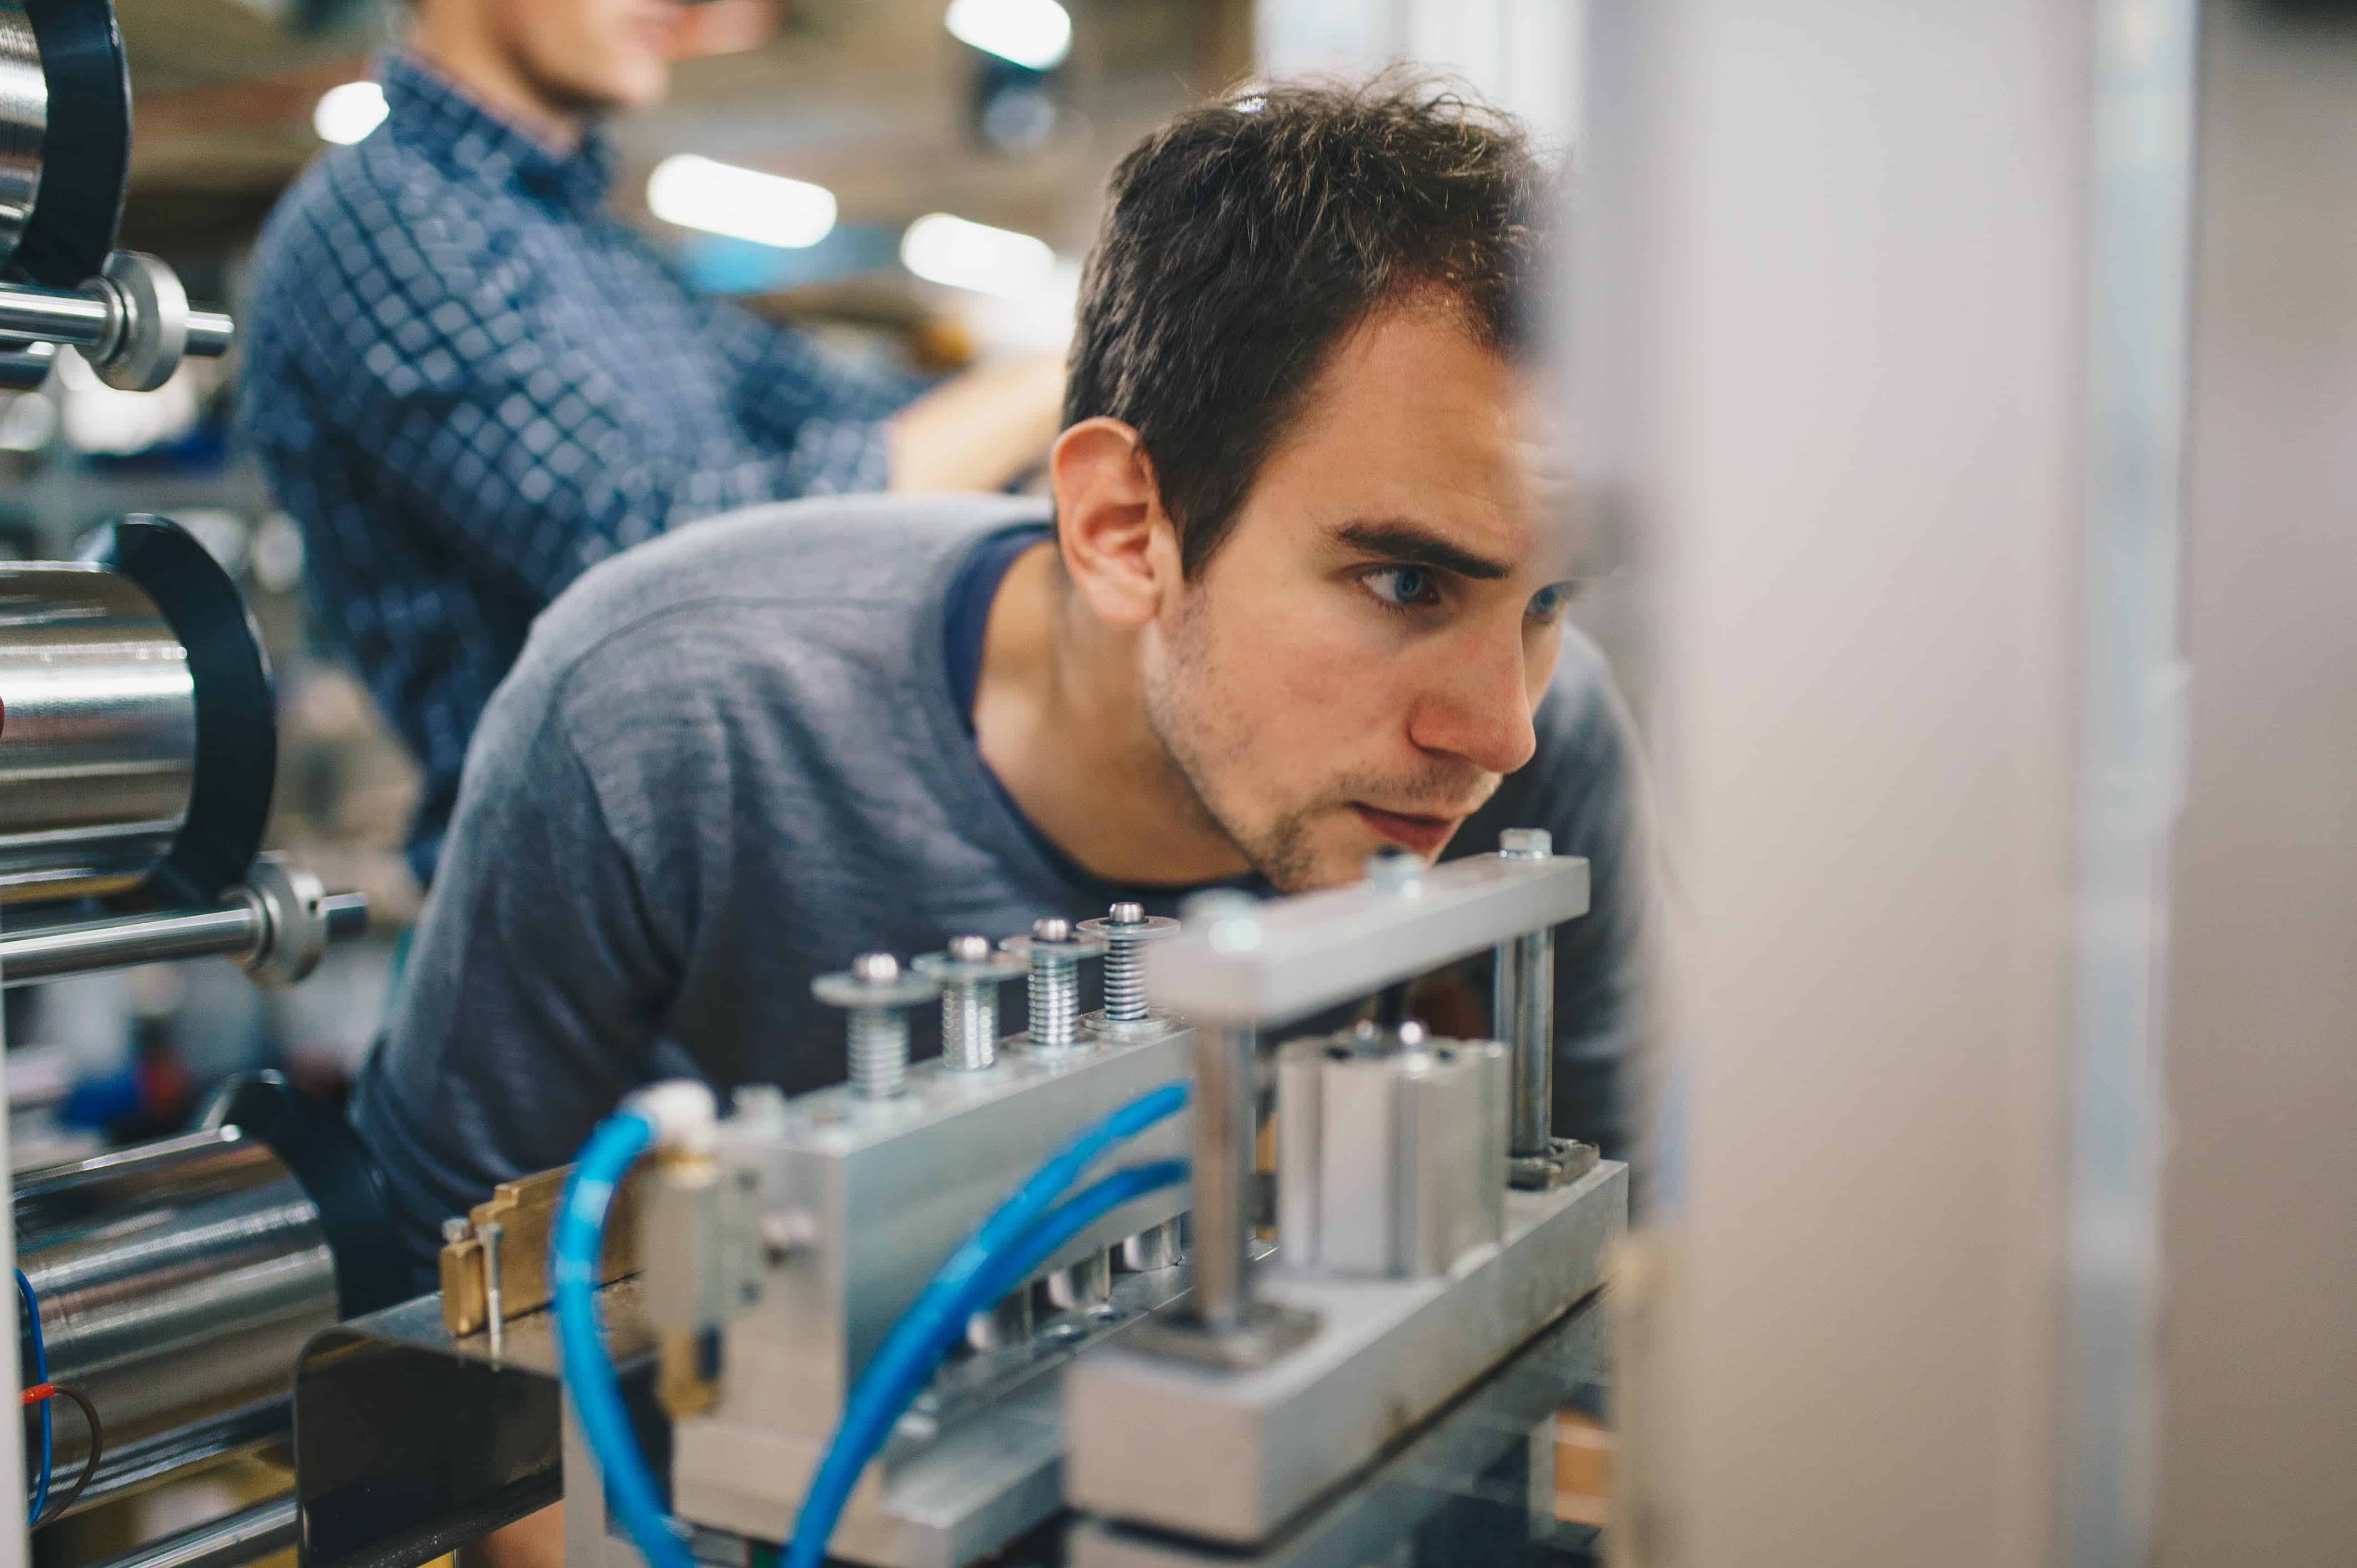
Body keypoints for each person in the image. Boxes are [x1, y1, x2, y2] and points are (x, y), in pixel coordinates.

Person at [355, 77, 1652, 1281]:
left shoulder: (1562, 730)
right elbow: (456, 1301)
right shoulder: (664, 711)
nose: (1500, 730)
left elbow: (1643, 1224)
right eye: (1404, 584)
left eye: (1543, 599)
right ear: (1120, 529)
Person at [240, 0, 1065, 888]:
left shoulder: (597, 248)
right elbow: (664, 559)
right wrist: (1046, 387)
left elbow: (848, 407)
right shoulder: (384, 222)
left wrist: (1064, 403)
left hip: (724, 893)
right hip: (570, 921)